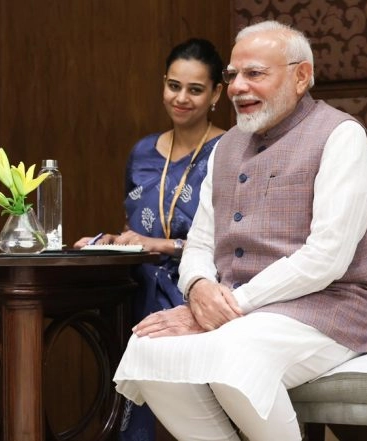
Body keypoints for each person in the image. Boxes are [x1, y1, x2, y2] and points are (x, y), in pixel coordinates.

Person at [113, 20, 367, 440]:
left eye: (254, 74)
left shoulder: (341, 136)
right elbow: (201, 242)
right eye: (233, 75)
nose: (237, 87)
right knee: (148, 345)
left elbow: (327, 257)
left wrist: (230, 307)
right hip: (247, 311)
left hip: (336, 306)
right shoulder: (225, 147)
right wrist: (198, 289)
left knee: (234, 351)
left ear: (301, 76)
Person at [74, 38, 225, 440]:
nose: (181, 98)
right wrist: (112, 239)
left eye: (195, 89)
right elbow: (136, 225)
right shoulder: (142, 151)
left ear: (216, 94)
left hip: (195, 287)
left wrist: (164, 246)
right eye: (174, 86)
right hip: (136, 284)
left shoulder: (228, 151)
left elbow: (232, 241)